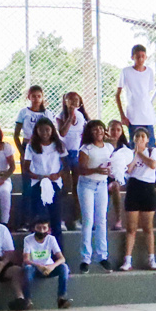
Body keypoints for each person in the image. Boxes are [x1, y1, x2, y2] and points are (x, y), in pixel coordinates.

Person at [119, 127, 156, 271]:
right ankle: (127, 260)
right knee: (131, 227)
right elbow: (128, 170)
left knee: (148, 227)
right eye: (138, 136)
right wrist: (134, 155)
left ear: (147, 139)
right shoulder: (130, 153)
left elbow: (153, 165)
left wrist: (140, 153)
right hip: (134, 187)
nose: (140, 139)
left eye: (143, 136)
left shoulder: (152, 151)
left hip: (148, 188)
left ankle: (151, 258)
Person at [75, 121, 113, 272]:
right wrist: (96, 170)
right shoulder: (86, 149)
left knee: (101, 220)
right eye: (95, 129)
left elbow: (111, 164)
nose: (98, 131)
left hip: (102, 185)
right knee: (88, 220)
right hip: (87, 185)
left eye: (100, 129)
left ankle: (102, 255)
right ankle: (85, 258)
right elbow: (81, 170)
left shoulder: (109, 147)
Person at [22, 118, 66, 236]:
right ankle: (37, 248)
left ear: (52, 130)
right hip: (37, 183)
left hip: (54, 183)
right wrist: (38, 176)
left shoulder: (59, 144)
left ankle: (57, 251)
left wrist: (57, 175)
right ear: (36, 131)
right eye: (41, 130)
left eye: (47, 130)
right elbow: (26, 167)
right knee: (39, 216)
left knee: (55, 218)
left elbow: (65, 165)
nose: (45, 133)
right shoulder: (31, 146)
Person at [56, 91, 90, 226]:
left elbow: (84, 135)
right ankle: (61, 220)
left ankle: (76, 219)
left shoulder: (82, 117)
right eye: (70, 99)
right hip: (64, 154)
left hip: (76, 153)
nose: (73, 102)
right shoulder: (60, 116)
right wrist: (70, 116)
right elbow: (62, 133)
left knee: (78, 188)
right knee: (65, 187)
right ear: (65, 101)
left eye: (76, 100)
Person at [114, 43, 156, 146]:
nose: (141, 59)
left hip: (147, 115)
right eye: (138, 57)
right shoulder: (126, 71)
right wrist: (122, 115)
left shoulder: (149, 72)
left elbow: (147, 92)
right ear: (132, 57)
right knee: (135, 145)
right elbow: (117, 95)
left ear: (146, 57)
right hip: (133, 116)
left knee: (151, 145)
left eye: (143, 56)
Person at [23, 216, 70, 309]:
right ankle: (27, 300)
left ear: (48, 230)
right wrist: (39, 266)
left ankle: (61, 297)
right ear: (34, 229)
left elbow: (61, 258)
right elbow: (26, 259)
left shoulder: (51, 239)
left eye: (44, 228)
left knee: (64, 268)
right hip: (35, 268)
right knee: (28, 269)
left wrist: (52, 266)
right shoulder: (28, 239)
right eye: (39, 228)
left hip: (49, 267)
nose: (41, 231)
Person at [12, 85, 51, 165]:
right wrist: (21, 151)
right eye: (33, 96)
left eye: (39, 96)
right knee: (27, 173)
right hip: (27, 143)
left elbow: (51, 132)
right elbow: (16, 135)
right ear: (29, 97)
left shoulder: (47, 113)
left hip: (42, 145)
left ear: (42, 97)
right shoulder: (23, 112)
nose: (36, 99)